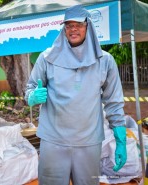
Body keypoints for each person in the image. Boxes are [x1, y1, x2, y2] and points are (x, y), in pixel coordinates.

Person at [25, 5, 127, 185]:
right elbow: (30, 88)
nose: (73, 29)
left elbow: (114, 102)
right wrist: (33, 96)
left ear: (88, 26)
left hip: (88, 143)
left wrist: (121, 141)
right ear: (64, 28)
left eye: (78, 25)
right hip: (53, 141)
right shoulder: (47, 58)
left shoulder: (104, 61)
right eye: (69, 25)